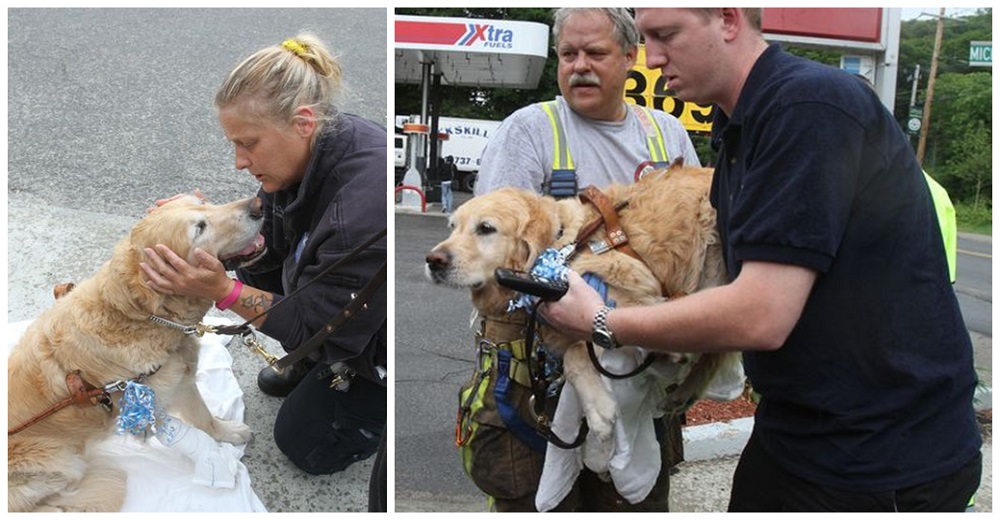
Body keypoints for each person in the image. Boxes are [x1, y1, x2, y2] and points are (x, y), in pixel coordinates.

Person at [539, 8, 982, 512]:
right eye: (644, 39)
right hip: (801, 426)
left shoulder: (808, 106)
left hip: (883, 451)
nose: (652, 58)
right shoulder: (737, 124)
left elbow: (761, 314)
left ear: (728, 19)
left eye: (666, 36)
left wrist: (600, 321)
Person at [467, 8, 702, 512]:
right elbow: (491, 262)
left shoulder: (667, 135)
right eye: (568, 54)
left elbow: (701, 248)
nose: (579, 66)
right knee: (535, 502)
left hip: (646, 365)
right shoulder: (529, 130)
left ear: (630, 58)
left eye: (595, 53)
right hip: (539, 380)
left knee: (632, 501)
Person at [139, 34, 388, 480]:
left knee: (303, 444)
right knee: (276, 282)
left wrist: (222, 290)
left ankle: (371, 406)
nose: (239, 161)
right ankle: (318, 370)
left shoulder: (360, 216)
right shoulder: (309, 149)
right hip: (336, 299)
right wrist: (205, 230)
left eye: (248, 143)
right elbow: (267, 242)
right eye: (233, 143)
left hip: (373, 340)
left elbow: (318, 328)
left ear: (303, 121)